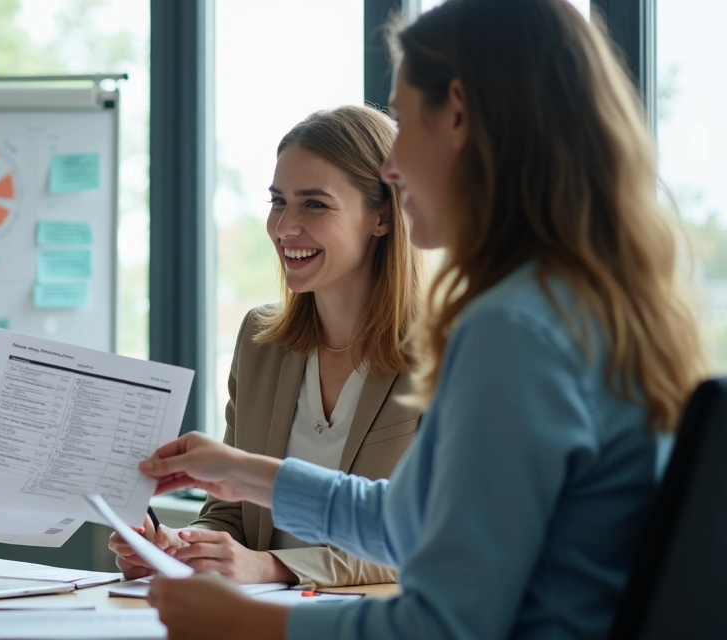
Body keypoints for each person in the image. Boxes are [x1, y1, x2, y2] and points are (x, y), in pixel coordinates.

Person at [139, 0, 707, 638]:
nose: (391, 165)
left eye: (404, 123)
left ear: (458, 112)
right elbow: (422, 522)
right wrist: (243, 471)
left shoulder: (513, 329)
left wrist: (250, 625)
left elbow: (448, 623)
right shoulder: (582, 301)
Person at [109, 106, 424, 588]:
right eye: (278, 201)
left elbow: (429, 536)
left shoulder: (445, 352)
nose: (284, 227)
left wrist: (272, 567)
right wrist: (179, 548)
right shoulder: (261, 342)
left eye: (314, 204)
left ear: (381, 216)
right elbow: (230, 516)